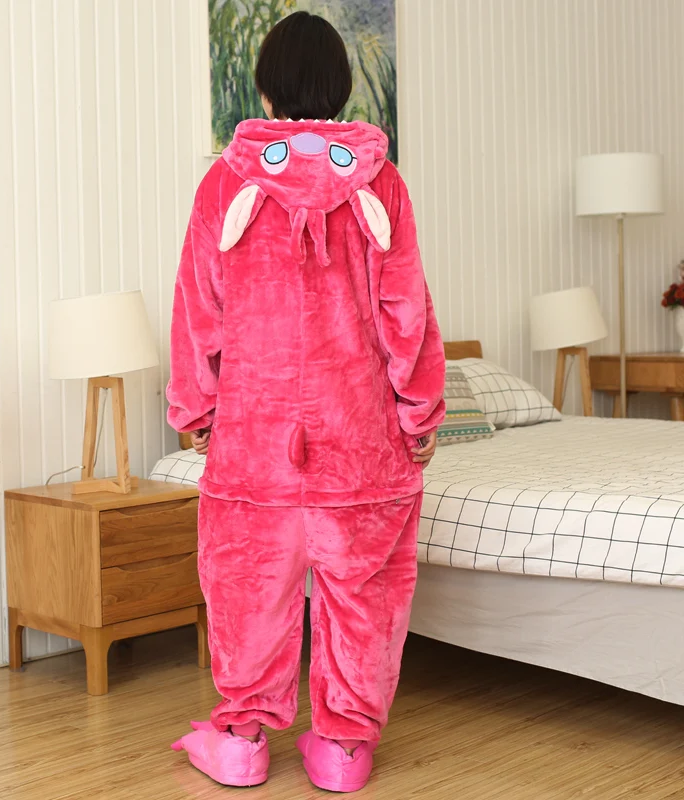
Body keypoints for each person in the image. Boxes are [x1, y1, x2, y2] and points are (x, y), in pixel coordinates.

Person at [167, 11, 445, 793]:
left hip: (253, 438)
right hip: (362, 437)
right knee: (365, 593)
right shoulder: (381, 182)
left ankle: (241, 740)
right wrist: (420, 411)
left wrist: (194, 407)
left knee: (248, 582)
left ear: (265, 89)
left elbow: (199, 307)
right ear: (340, 88)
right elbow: (407, 310)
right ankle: (343, 749)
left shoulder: (226, 183)